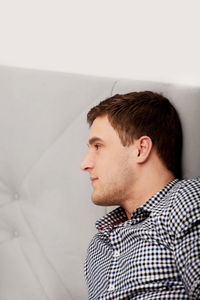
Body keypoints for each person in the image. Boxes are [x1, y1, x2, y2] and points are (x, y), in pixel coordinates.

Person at [80, 91, 200, 299]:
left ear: (141, 149)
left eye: (98, 146)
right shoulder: (99, 244)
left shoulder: (185, 200)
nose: (85, 164)